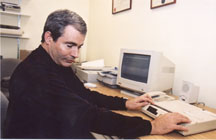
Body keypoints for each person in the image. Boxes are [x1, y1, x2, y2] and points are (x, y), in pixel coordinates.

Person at [4, 9, 190, 139]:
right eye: (69, 45)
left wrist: (124, 103)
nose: (76, 54)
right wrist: (152, 126)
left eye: (79, 47)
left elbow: (83, 94)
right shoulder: (37, 74)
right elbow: (87, 116)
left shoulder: (53, 61)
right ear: (48, 38)